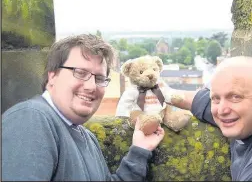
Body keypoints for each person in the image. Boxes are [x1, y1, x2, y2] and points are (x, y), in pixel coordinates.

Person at [2, 34, 165, 181]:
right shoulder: (31, 119)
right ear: (52, 76)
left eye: (100, 78)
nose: (91, 86)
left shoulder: (86, 136)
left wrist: (139, 149)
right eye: (80, 72)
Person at [169, 56, 252, 181]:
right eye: (216, 98)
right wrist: (164, 94)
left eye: (235, 97)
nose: (222, 110)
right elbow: (202, 101)